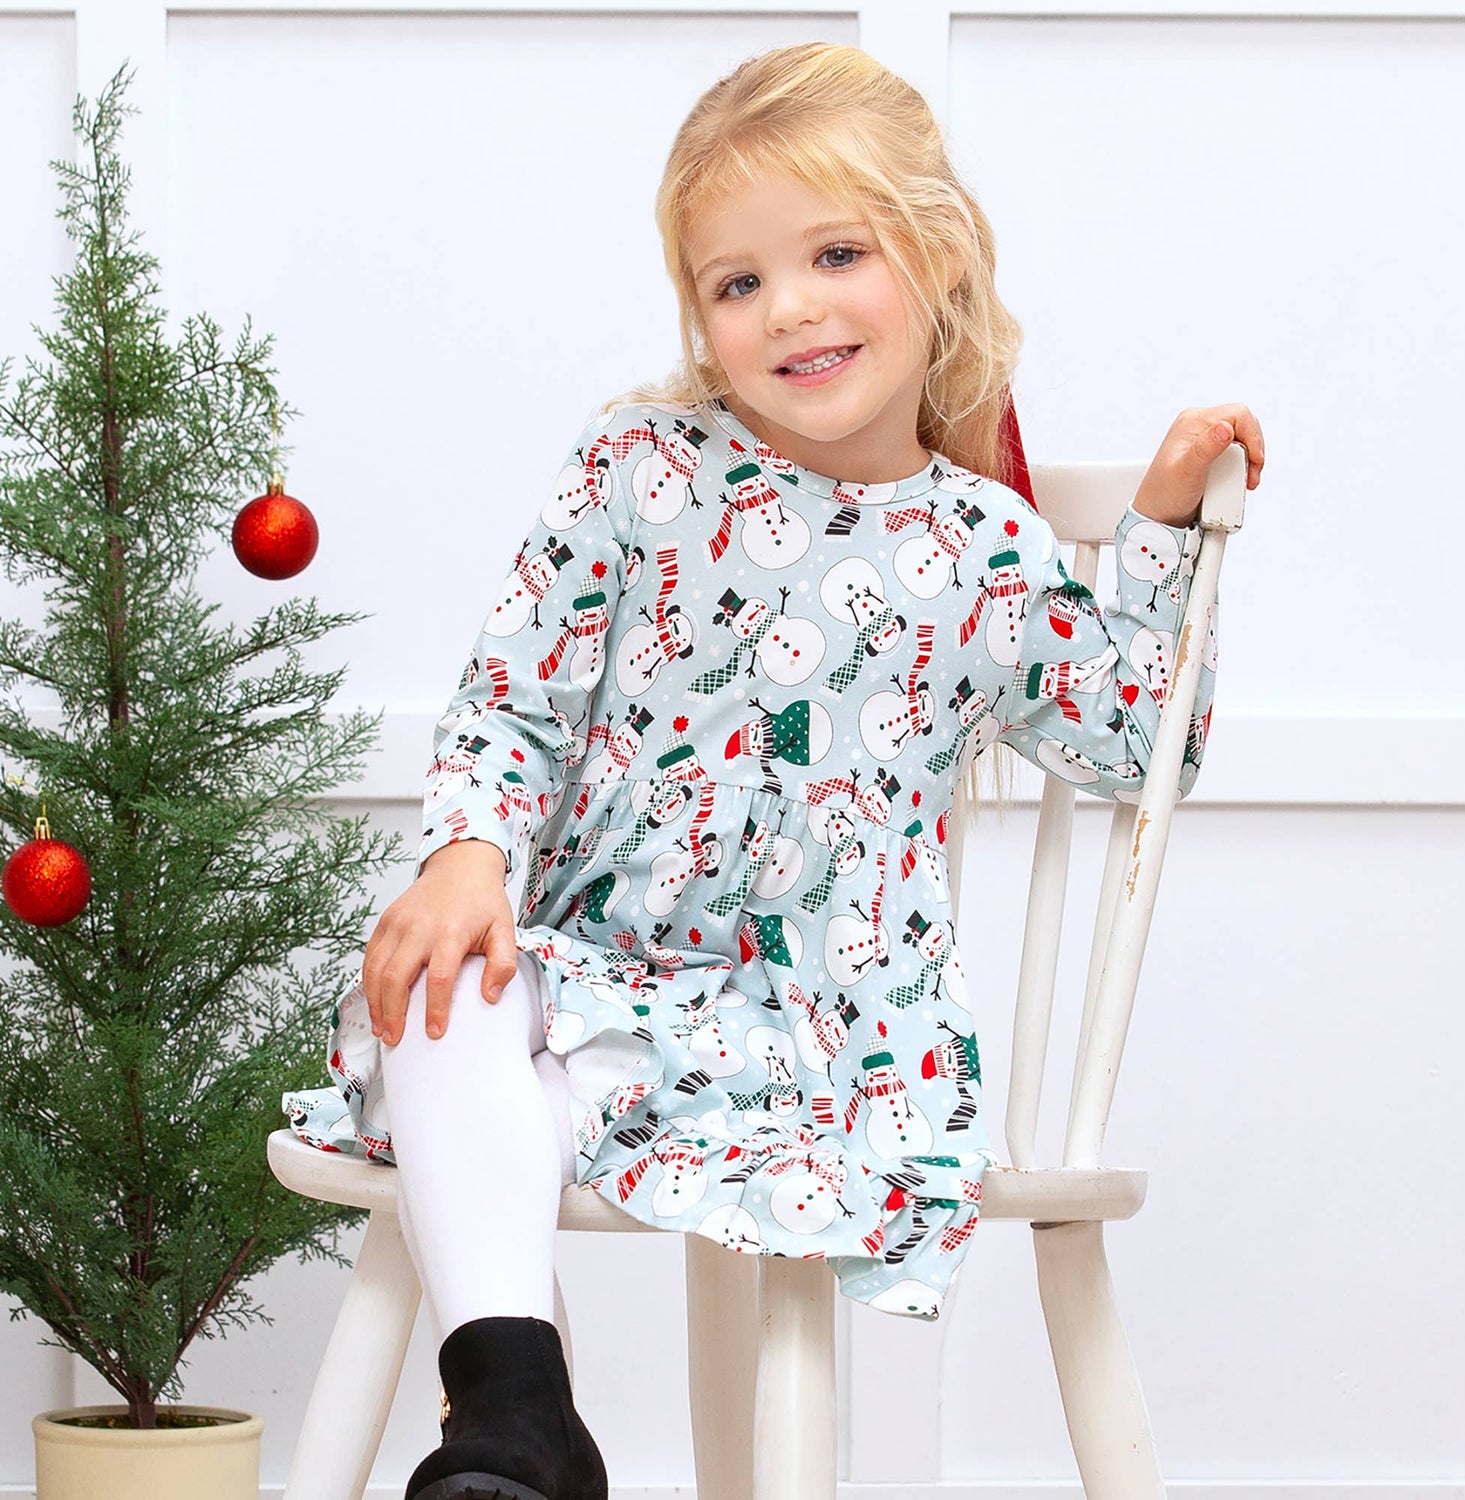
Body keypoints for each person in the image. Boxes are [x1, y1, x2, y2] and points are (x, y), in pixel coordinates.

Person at [282, 39, 1264, 1500]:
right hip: (590, 981)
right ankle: (511, 1404)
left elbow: (1138, 744)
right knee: (441, 989)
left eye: (835, 253)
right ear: (701, 315)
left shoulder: (983, 553)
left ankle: (512, 1424)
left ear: (935, 261)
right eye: (737, 281)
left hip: (818, 1031)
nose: (788, 306)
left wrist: (1165, 535)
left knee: (485, 1061)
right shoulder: (639, 471)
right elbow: (516, 694)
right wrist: (471, 852)